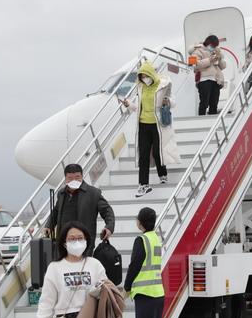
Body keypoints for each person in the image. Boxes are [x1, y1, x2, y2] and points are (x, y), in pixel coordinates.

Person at [120, 60, 182, 198]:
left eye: (145, 76)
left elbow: (173, 101)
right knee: (144, 155)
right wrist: (128, 104)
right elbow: (138, 107)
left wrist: (168, 101)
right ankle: (143, 185)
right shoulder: (140, 87)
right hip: (143, 124)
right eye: (141, 76)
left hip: (158, 124)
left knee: (157, 152)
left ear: (151, 74)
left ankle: (162, 174)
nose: (144, 79)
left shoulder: (164, 85)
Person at [123, 207, 165, 318]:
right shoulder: (155, 238)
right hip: (158, 292)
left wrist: (127, 286)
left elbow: (135, 264)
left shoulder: (141, 240)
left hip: (145, 293)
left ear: (140, 222)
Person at [43, 164, 115, 252]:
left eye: (77, 177)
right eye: (70, 178)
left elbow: (107, 211)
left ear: (82, 176)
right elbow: (56, 211)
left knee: (83, 261)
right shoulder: (61, 193)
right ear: (65, 179)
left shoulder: (93, 193)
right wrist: (49, 226)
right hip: (64, 241)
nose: (74, 180)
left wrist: (109, 227)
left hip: (84, 241)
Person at [188, 34, 226, 115]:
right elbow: (194, 65)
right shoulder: (197, 50)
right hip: (203, 80)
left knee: (214, 104)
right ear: (208, 43)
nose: (213, 47)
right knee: (204, 103)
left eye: (215, 46)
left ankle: (213, 121)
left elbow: (223, 67)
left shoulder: (215, 52)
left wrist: (219, 58)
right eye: (212, 45)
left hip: (216, 80)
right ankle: (201, 119)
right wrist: (210, 60)